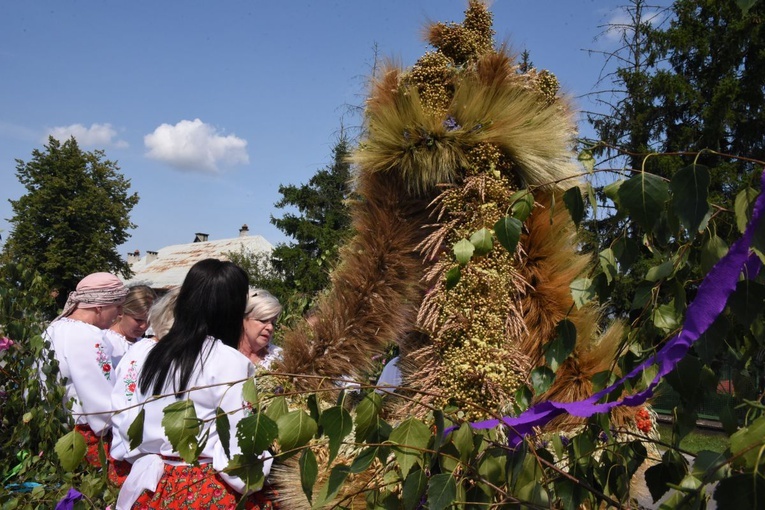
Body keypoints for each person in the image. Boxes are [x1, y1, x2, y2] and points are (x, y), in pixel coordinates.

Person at [111, 259, 275, 509]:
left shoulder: (151, 352)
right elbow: (237, 446)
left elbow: (129, 423)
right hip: (202, 488)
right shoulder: (228, 361)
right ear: (232, 309)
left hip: (152, 484)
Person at [43, 272, 128, 467]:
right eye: (117, 306)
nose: (120, 313)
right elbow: (100, 401)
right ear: (99, 306)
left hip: (51, 428)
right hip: (80, 436)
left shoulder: (53, 328)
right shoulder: (88, 336)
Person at [105, 285, 156, 367]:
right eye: (138, 320)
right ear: (121, 312)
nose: (144, 326)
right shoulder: (107, 342)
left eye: (149, 321)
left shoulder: (142, 343)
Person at [239, 288, 283, 369]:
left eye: (273, 323)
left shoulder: (280, 358)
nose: (270, 328)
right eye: (263, 320)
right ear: (244, 319)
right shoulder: (223, 354)